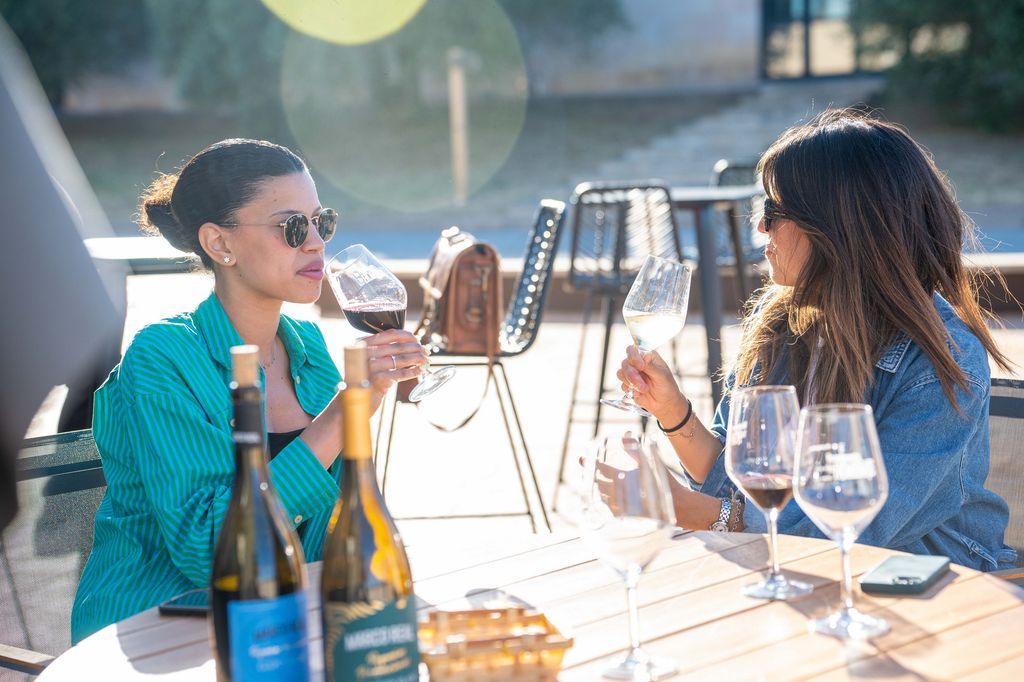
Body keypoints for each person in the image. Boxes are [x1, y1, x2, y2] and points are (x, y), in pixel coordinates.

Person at [617, 109, 1017, 572]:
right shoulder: (779, 325)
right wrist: (672, 411)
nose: (760, 228)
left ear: (840, 227)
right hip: (806, 577)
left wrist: (684, 509)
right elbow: (739, 482)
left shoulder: (941, 359)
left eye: (773, 211)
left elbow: (854, 527)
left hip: (932, 586)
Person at [71, 139, 428, 642]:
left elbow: (339, 523)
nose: (316, 244)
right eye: (292, 227)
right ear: (221, 244)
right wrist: (344, 412)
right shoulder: (164, 356)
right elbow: (210, 550)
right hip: (158, 624)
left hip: (282, 617)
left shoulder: (307, 347)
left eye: (320, 222)